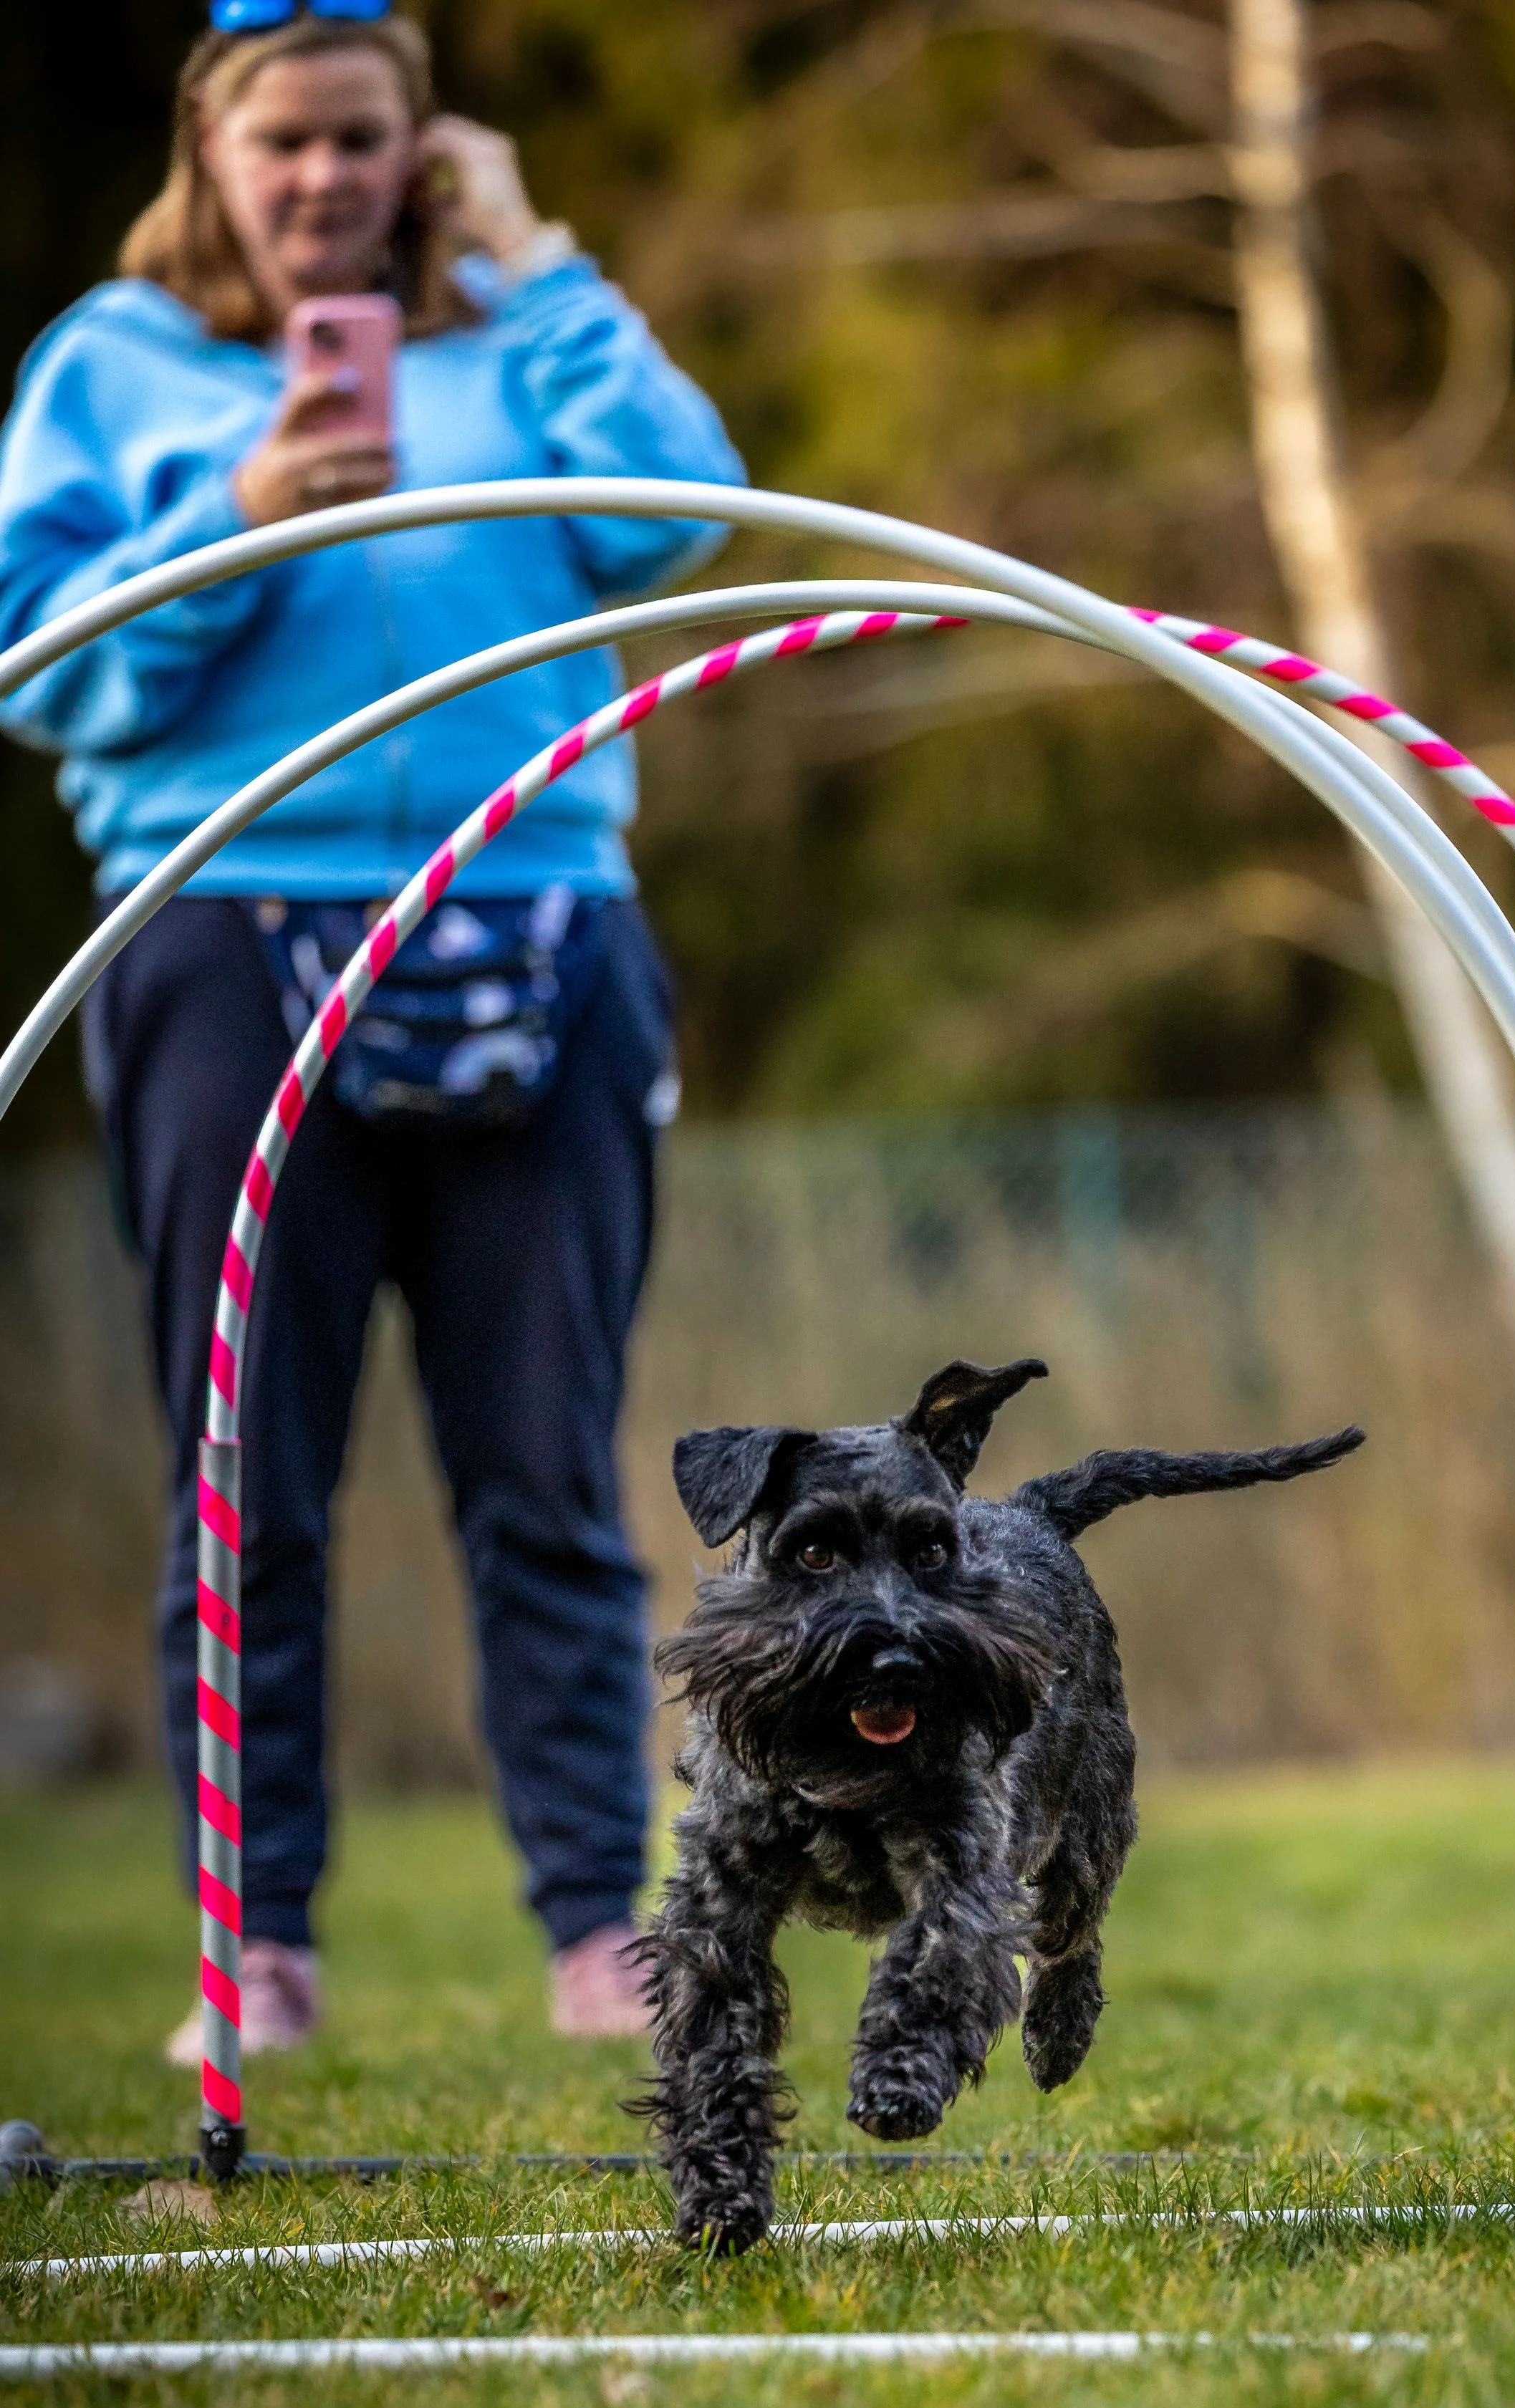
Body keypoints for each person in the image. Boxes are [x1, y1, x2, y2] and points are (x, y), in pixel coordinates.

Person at [0, 1, 746, 2054]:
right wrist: (240, 502)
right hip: (229, 935)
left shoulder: (518, 340)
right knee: (252, 1483)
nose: (328, 177)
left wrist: (544, 254)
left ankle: (609, 1932)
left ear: (426, 145)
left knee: (547, 1473)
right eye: (288, 141)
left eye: (367, 137)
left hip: (544, 925)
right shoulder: (109, 371)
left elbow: (686, 518)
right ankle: (257, 1944)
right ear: (212, 153)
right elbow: (42, 669)